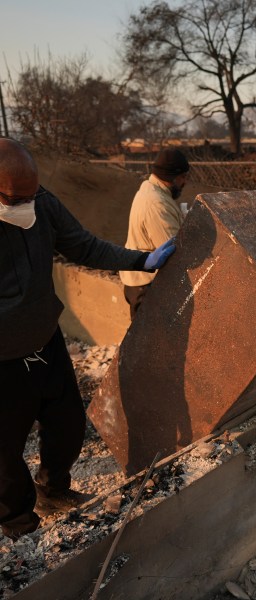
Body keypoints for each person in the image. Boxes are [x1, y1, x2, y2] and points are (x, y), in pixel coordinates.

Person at [0, 138, 176, 541]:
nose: (25, 205)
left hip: (45, 339)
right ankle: (19, 525)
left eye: (31, 195)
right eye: (14, 199)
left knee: (67, 423)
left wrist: (138, 260)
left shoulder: (40, 203)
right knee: (5, 451)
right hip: (4, 359)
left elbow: (81, 245)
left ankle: (53, 489)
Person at [120, 148, 190, 317]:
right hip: (146, 287)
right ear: (172, 178)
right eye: (183, 177)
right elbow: (173, 252)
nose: (184, 182)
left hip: (142, 282)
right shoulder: (157, 205)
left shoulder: (151, 188)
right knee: (151, 342)